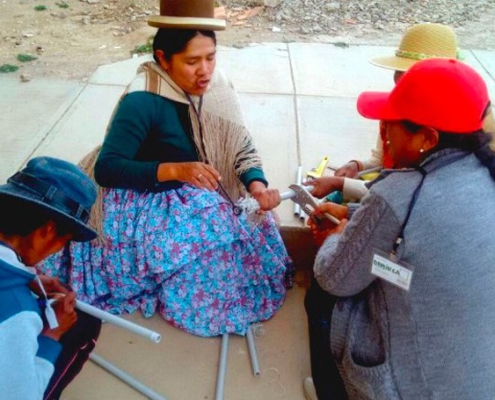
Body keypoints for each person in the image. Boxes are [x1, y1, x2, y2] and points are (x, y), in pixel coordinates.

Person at [38, 0, 292, 338]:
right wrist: (174, 171)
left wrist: (257, 186)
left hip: (184, 182)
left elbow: (238, 145)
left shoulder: (215, 88)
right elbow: (108, 169)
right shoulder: (142, 100)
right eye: (192, 61)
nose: (204, 70)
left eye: (210, 57)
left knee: (252, 225)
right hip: (137, 192)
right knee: (211, 233)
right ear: (163, 60)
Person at [307, 58, 495, 398]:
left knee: (323, 295)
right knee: (382, 267)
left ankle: (333, 391)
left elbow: (334, 276)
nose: (383, 133)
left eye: (391, 124)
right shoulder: (483, 171)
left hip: (418, 386)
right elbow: (419, 261)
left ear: (427, 137)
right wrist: (354, 214)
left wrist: (336, 239)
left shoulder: (400, 192)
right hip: (477, 369)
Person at [308, 22, 495, 202]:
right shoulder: (401, 106)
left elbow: (399, 196)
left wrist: (341, 185)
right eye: (399, 81)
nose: (401, 88)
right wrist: (357, 165)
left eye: (410, 79)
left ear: (428, 139)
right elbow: (382, 163)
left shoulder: (463, 138)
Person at [0, 156, 101, 399]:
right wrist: (51, 335)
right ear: (48, 230)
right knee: (84, 323)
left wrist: (27, 276)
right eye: (63, 241)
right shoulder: (19, 312)